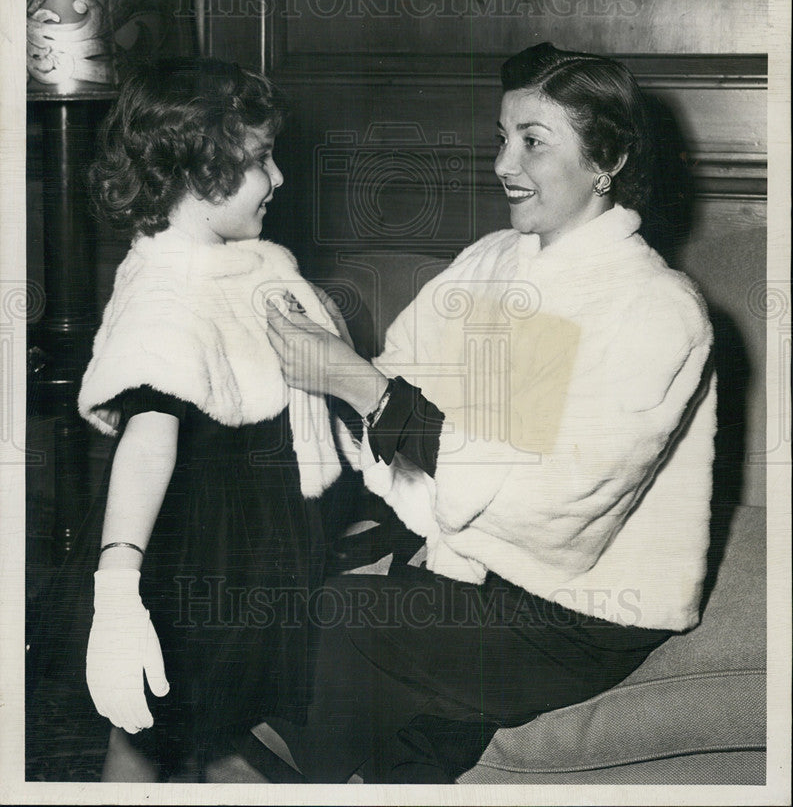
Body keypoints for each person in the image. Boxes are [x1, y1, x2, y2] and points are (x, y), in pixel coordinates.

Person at [261, 42, 717, 783]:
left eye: (532, 143)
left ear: (608, 163)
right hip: (471, 559)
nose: (504, 165)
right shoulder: (491, 258)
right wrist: (312, 356)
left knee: (330, 625)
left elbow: (555, 503)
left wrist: (364, 391)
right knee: (290, 608)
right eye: (501, 139)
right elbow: (400, 380)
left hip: (578, 608)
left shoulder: (657, 310)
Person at [29, 57, 355, 781]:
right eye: (259, 160)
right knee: (145, 733)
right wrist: (117, 590)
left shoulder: (248, 265)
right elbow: (148, 442)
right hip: (195, 551)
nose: (277, 179)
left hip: (261, 540)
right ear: (195, 171)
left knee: (222, 728)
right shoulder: (165, 292)